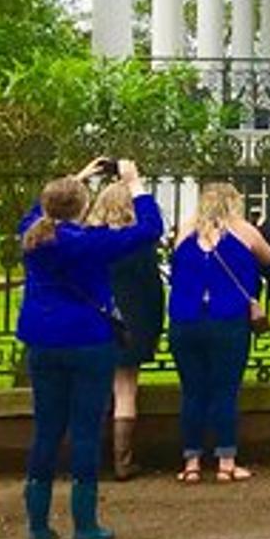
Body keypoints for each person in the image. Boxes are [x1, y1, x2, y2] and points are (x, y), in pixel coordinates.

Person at [15, 159, 165, 539]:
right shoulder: (90, 243)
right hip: (87, 340)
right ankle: (84, 524)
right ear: (81, 206)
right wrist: (135, 184)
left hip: (43, 341)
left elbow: (40, 209)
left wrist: (76, 178)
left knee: (46, 430)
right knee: (84, 430)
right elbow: (150, 229)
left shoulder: (33, 236)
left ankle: (38, 524)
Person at [167, 182, 270, 483]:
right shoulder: (243, 231)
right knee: (225, 391)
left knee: (192, 392)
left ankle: (191, 463)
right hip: (227, 319)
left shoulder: (186, 231)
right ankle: (226, 462)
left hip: (185, 320)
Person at [87, 181, 166, 481]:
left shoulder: (90, 240)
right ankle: (123, 460)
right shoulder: (139, 244)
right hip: (132, 323)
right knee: (125, 389)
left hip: (94, 320)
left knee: (93, 390)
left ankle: (90, 458)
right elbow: (153, 291)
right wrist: (154, 328)